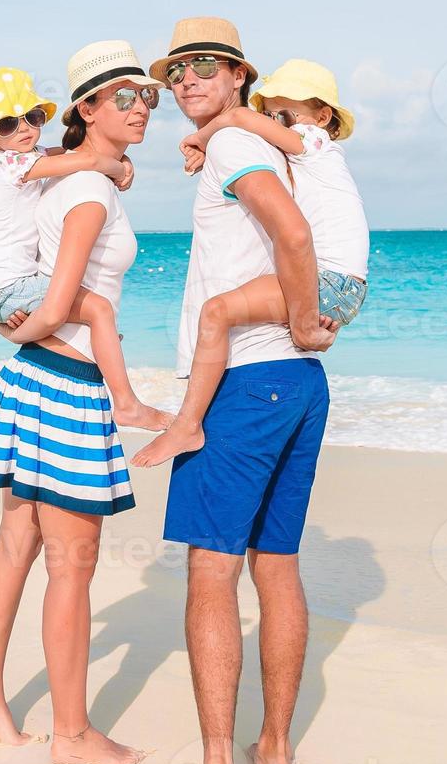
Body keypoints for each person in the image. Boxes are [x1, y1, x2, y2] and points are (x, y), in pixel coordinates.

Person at [149, 17, 336, 764]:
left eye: (203, 67)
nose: (186, 80)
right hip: (297, 384)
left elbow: (291, 234)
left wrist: (298, 314)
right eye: (175, 73)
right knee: (278, 566)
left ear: (236, 76)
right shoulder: (258, 143)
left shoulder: (233, 147)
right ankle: (278, 752)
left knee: (210, 571)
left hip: (247, 382)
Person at [0, 40, 161, 764]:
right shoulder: (83, 189)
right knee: (72, 564)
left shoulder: (64, 181)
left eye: (150, 97)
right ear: (89, 107)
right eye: (127, 97)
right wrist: (34, 329)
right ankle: (72, 735)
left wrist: (17, 332)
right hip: (65, 385)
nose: (142, 108)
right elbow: (59, 301)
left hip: (29, 377)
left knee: (18, 546)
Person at [133, 58, 368, 467]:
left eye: (283, 115)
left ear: (322, 116)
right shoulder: (306, 159)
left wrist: (201, 138)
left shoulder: (311, 141)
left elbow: (240, 117)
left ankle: (187, 424)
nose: (276, 125)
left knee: (217, 312)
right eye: (271, 115)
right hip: (341, 287)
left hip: (325, 283)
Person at [0, 66, 171, 431]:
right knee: (99, 310)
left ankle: (112, 364)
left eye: (32, 116)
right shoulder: (20, 165)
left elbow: (70, 152)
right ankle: (127, 404)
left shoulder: (30, 159)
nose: (26, 128)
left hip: (21, 336)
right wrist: (116, 166)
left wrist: (120, 163)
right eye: (9, 124)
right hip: (43, 349)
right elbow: (88, 159)